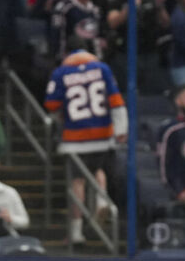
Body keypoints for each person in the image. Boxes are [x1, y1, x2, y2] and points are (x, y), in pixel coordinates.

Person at [44, 50, 126, 243]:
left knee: (77, 181)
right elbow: (115, 100)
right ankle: (101, 201)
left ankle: (76, 232)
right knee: (97, 170)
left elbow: (51, 104)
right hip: (103, 132)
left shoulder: (61, 72)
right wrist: (121, 128)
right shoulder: (102, 68)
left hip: (75, 137)